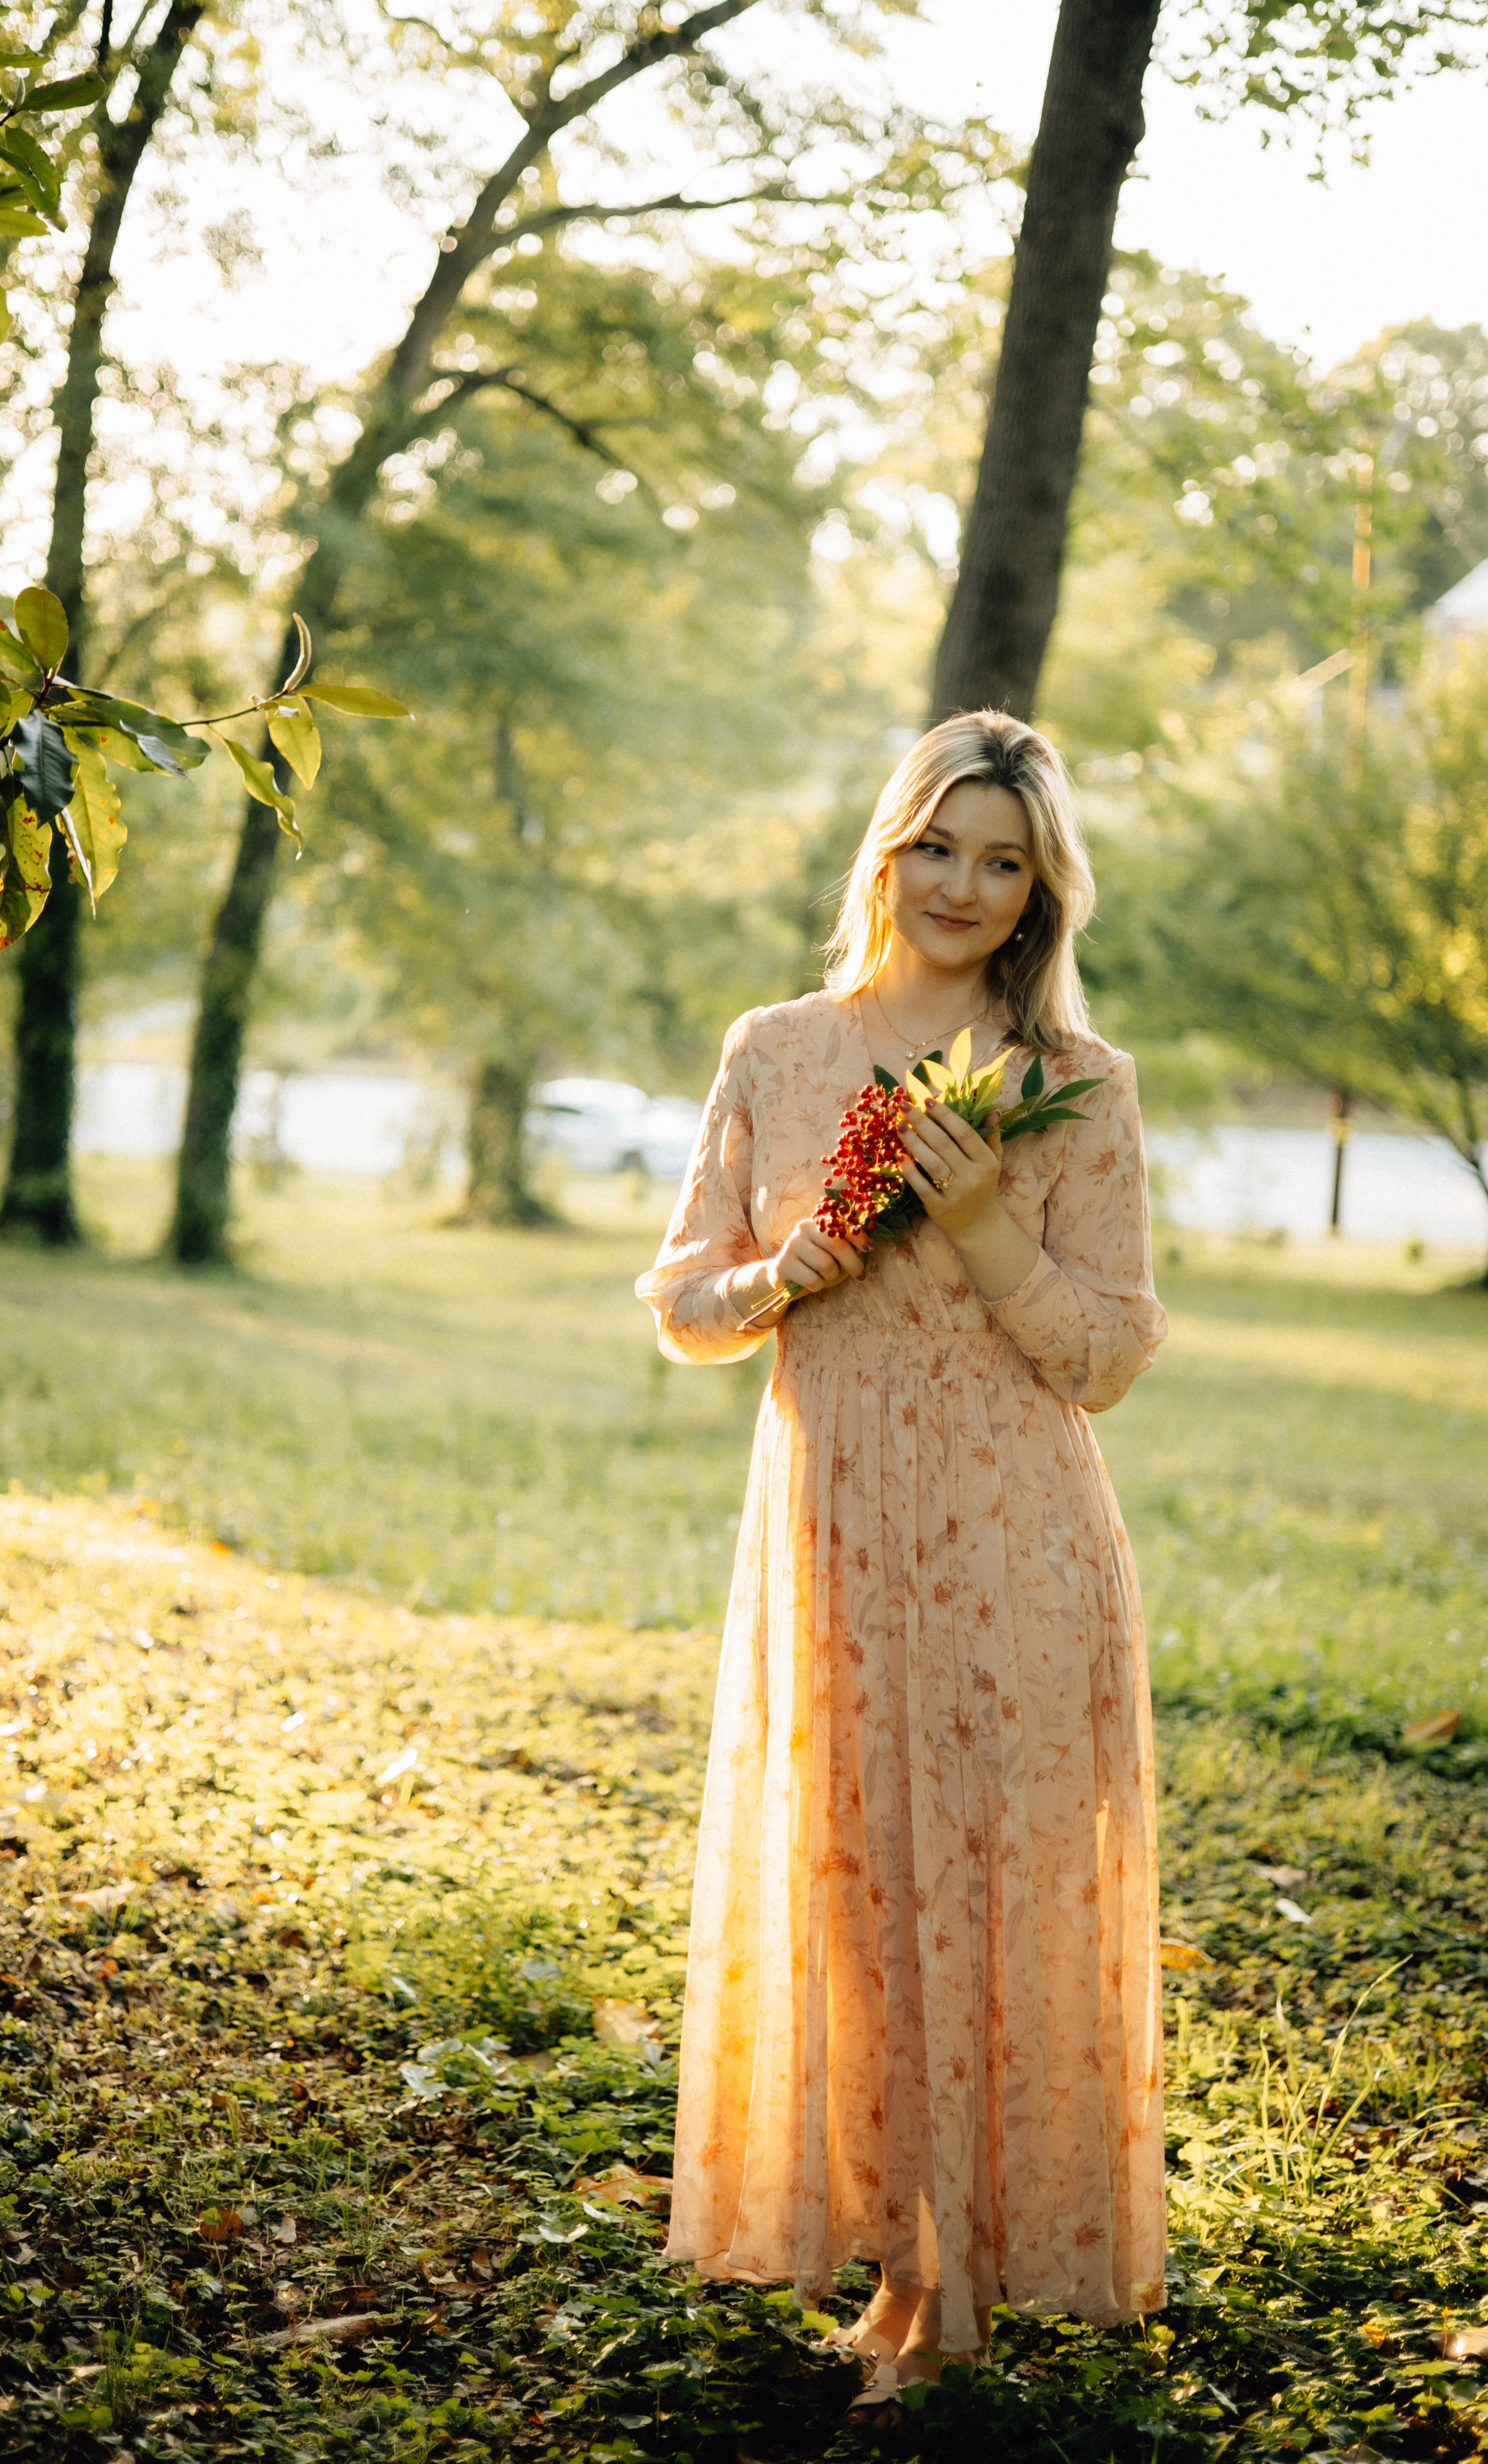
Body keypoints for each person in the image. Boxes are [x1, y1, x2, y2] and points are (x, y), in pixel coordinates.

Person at [636, 711, 1167, 2418]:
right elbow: (684, 1306)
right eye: (939, 843)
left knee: (1000, 1893)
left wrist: (994, 1228)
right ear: (888, 846)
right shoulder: (781, 1049)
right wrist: (796, 1263)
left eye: (1003, 862)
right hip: (836, 1531)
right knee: (860, 1888)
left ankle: (967, 2280)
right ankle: (892, 2257)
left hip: (1019, 1537)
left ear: (1039, 897)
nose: (962, 884)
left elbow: (1105, 1351)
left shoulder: (1079, 1083)